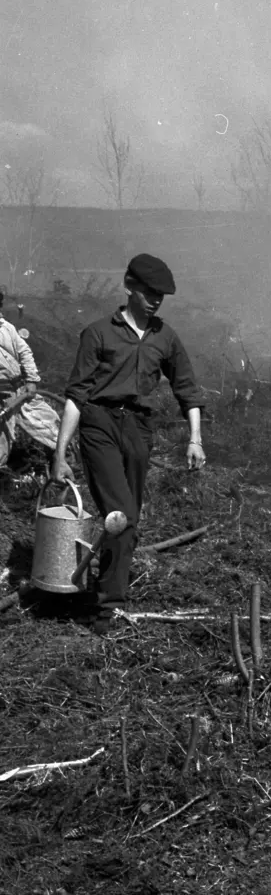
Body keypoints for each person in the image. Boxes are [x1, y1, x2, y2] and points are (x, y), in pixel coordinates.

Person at [51, 254, 206, 635]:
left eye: (161, 295)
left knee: (129, 524)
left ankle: (97, 594)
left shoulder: (165, 337)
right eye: (149, 292)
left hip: (138, 429)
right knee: (120, 517)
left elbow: (188, 389)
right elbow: (76, 395)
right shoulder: (99, 332)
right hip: (99, 424)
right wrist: (59, 453)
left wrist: (195, 439)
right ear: (129, 286)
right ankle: (109, 612)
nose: (155, 300)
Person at [0, 290, 60, 468]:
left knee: (51, 425)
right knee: (2, 440)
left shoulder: (6, 328)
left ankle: (62, 463)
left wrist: (32, 380)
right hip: (2, 397)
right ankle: (6, 482)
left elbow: (24, 352)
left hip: (21, 391)